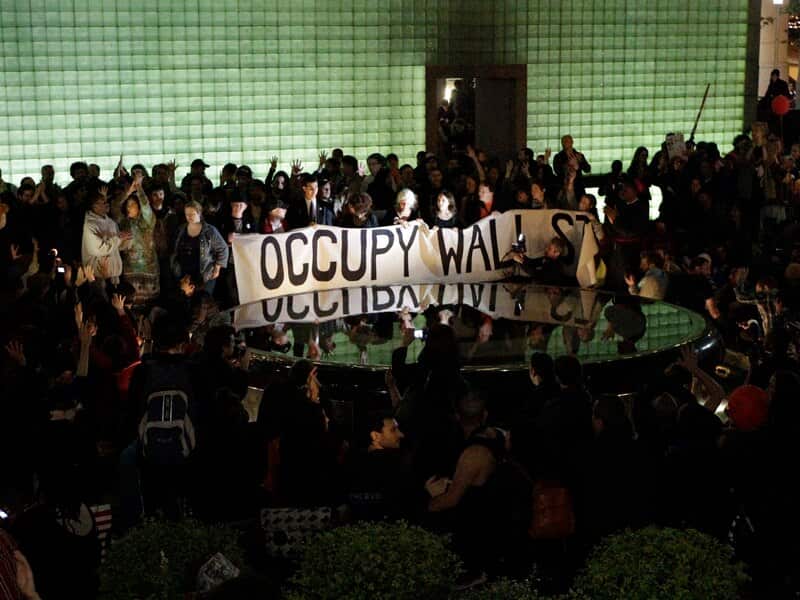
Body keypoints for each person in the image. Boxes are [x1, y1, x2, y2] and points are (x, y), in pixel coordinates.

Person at [171, 200, 229, 295]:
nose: (189, 217)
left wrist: (217, 268)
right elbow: (175, 250)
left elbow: (223, 248)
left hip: (204, 274)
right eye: (187, 214)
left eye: (192, 214)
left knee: (203, 299)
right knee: (186, 298)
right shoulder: (181, 229)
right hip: (185, 274)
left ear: (199, 213)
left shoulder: (210, 231)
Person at [117, 177, 159, 305]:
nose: (129, 207)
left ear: (139, 207)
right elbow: (116, 207)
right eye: (127, 205)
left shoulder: (147, 221)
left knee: (149, 302)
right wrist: (128, 192)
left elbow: (146, 205)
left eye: (132, 205)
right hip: (130, 268)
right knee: (131, 300)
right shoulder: (123, 222)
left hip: (148, 268)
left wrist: (139, 189)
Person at [82, 187, 131, 284]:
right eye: (103, 202)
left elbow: (117, 246)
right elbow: (99, 249)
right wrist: (118, 239)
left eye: (106, 201)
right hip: (98, 278)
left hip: (114, 276)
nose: (107, 204)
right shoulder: (90, 225)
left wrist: (126, 240)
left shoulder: (111, 222)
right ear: (94, 206)